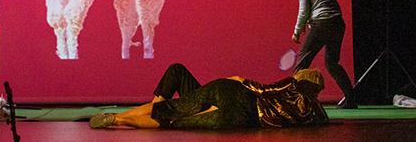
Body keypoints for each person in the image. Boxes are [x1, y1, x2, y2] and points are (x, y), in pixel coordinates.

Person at [89, 63, 328, 130]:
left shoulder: (293, 85)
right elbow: (322, 121)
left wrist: (241, 80)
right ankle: (123, 119)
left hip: (236, 95)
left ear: (302, 78)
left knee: (172, 108)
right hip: (243, 117)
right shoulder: (316, 111)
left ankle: (119, 117)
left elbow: (265, 90)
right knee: (174, 118)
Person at [291, 0, 356, 108]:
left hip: (322, 24)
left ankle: (295, 102)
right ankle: (351, 99)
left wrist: (297, 31)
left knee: (302, 62)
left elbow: (304, 10)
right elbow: (329, 6)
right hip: (337, 24)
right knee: (332, 63)